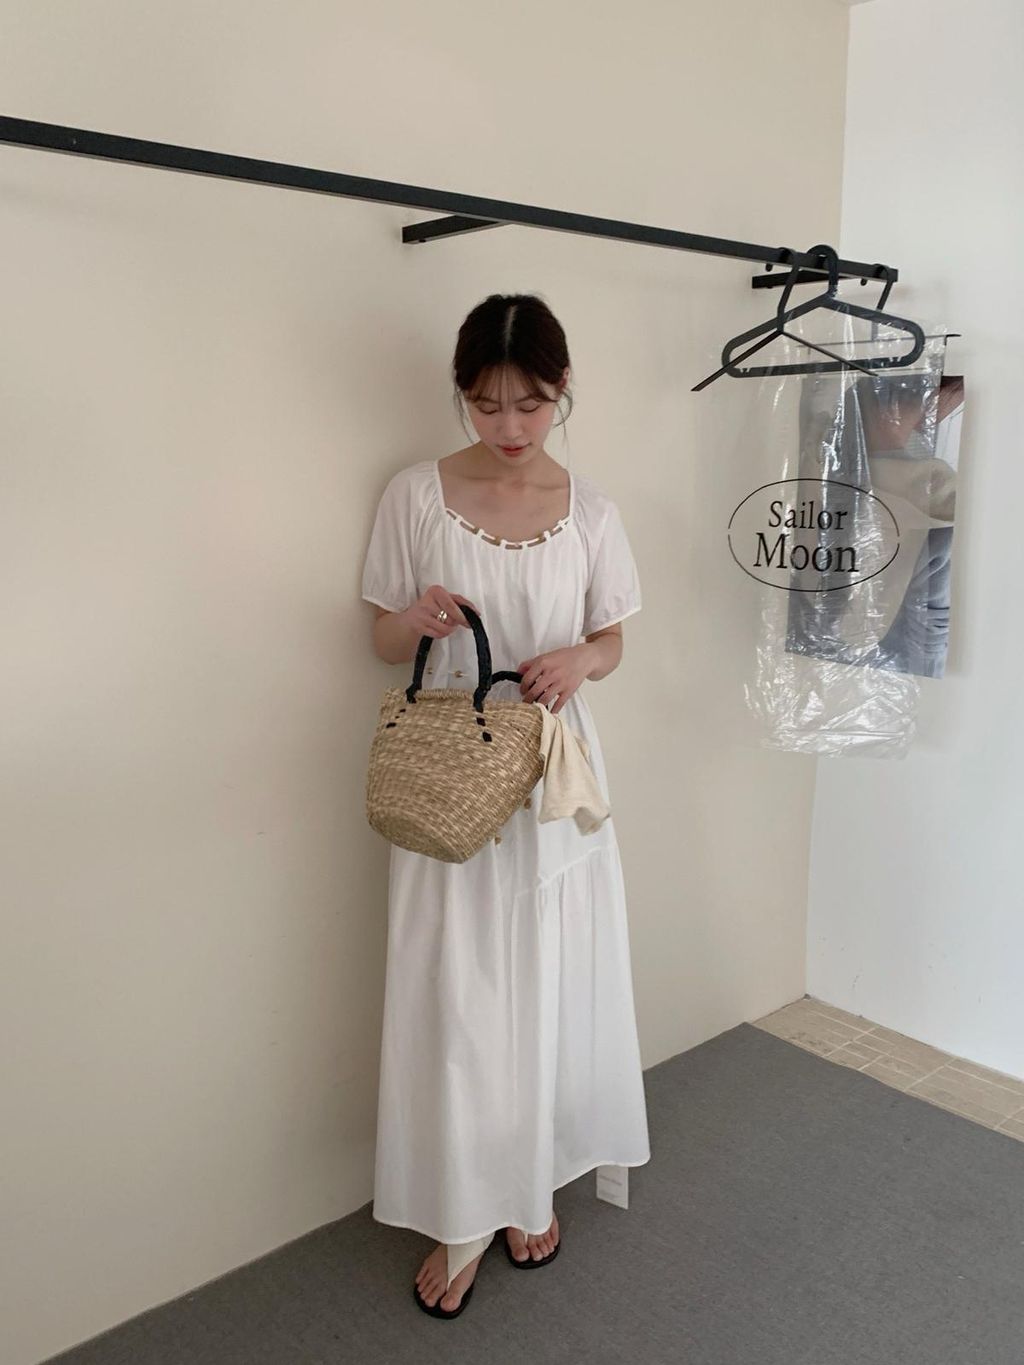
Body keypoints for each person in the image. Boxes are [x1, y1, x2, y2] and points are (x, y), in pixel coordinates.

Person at [360, 292, 651, 1319]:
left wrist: (582, 659)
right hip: (452, 772)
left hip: (554, 775)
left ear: (561, 390)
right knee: (458, 989)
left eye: (529, 403)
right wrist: (417, 616)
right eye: (487, 405)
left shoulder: (593, 510)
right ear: (462, 396)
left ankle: (531, 1181)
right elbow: (380, 641)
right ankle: (465, 1210)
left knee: (549, 975)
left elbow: (612, 638)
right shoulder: (415, 494)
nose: (510, 426)